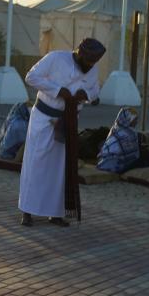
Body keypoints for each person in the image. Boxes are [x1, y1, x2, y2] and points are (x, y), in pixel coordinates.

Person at [18, 38, 104, 227]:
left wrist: (87, 96)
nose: (90, 67)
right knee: (36, 163)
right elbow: (31, 77)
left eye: (94, 63)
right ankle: (27, 210)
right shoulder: (55, 58)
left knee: (59, 168)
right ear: (80, 55)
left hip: (69, 122)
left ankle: (55, 213)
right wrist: (57, 90)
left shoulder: (93, 69)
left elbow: (95, 90)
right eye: (88, 62)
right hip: (44, 119)